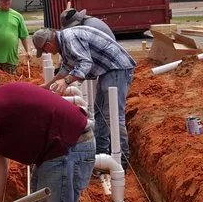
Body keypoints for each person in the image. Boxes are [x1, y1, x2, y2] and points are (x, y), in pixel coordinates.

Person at [32, 27, 135, 168]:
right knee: (101, 114)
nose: (47, 53)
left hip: (117, 68)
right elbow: (66, 68)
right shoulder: (64, 43)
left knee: (113, 115)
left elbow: (85, 63)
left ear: (48, 45)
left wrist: (67, 81)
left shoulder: (70, 39)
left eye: (45, 50)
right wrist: (48, 85)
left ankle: (122, 160)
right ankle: (101, 154)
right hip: (108, 70)